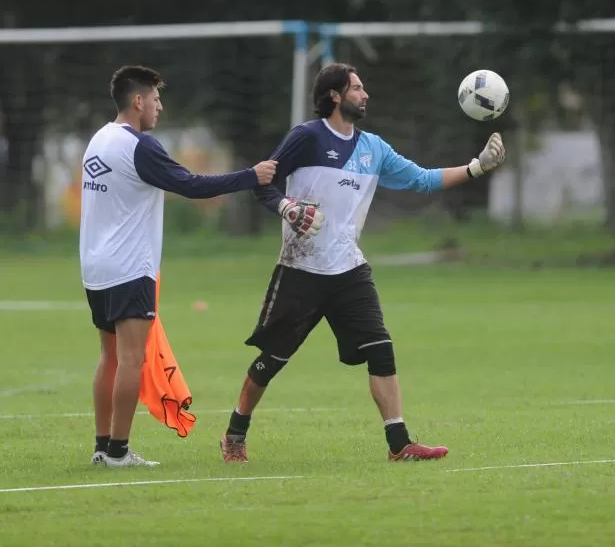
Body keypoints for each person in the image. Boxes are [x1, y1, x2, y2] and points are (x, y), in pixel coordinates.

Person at [219, 62, 506, 463]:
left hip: (349, 270)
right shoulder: (306, 137)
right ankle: (235, 432)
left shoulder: (374, 149)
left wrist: (478, 168)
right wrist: (287, 207)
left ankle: (399, 444)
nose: (365, 94)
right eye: (356, 87)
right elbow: (262, 183)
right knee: (272, 360)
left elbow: (422, 180)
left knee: (381, 348)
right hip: (300, 268)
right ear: (334, 96)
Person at [81, 65, 277, 467]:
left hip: (95, 267)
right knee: (132, 359)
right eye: (155, 99)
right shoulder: (139, 146)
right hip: (130, 267)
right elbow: (190, 185)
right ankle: (118, 452)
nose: (160, 107)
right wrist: (250, 176)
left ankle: (103, 447)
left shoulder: (99, 139)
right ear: (138, 101)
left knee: (110, 357)